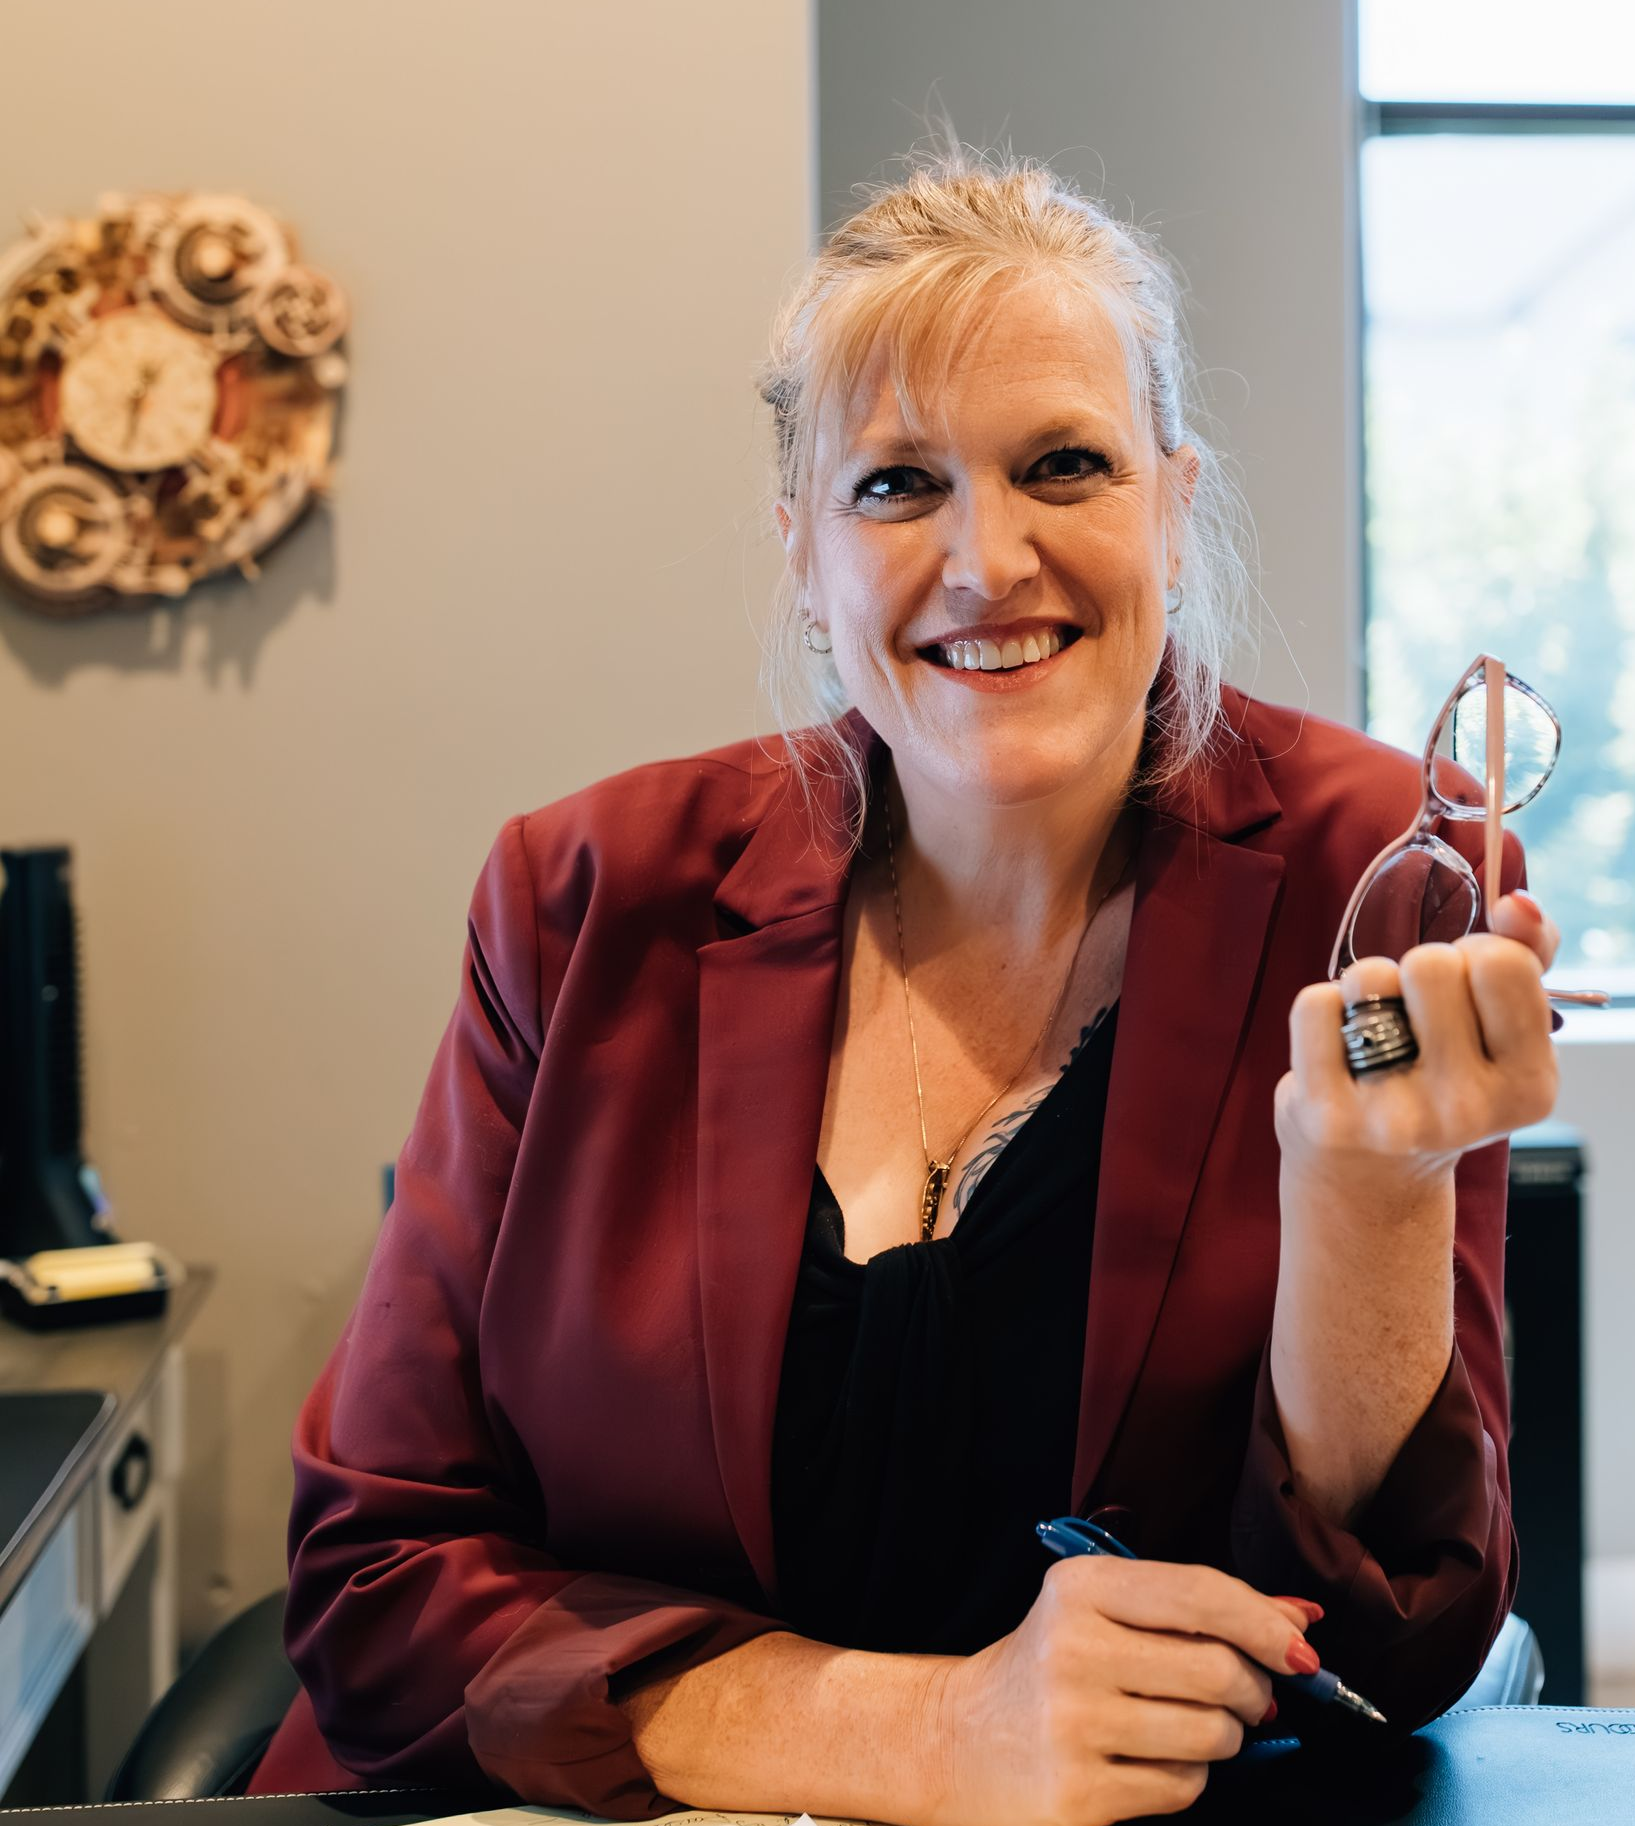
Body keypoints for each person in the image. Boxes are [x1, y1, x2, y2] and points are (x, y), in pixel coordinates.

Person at [247, 146, 1560, 1825]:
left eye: (1063, 464)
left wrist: (1366, 1189)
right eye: (895, 488)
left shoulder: (1385, 874)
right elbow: (379, 1581)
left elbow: (1401, 1643)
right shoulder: (581, 898)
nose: (986, 560)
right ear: (803, 551)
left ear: (1171, 495)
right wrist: (927, 1733)